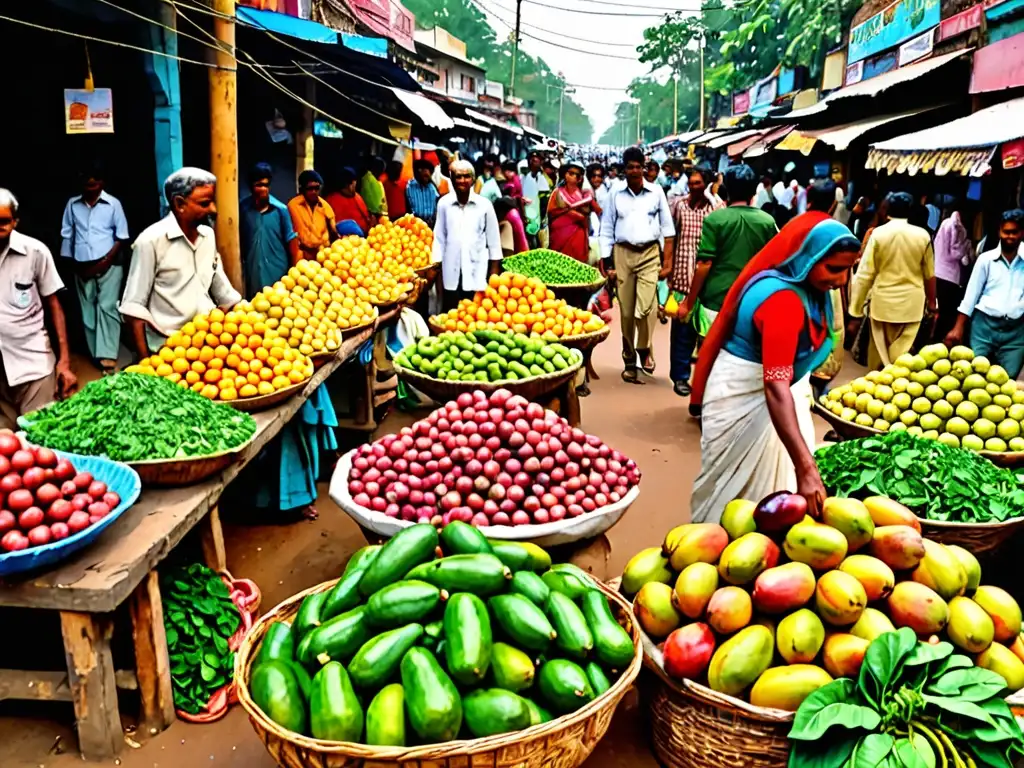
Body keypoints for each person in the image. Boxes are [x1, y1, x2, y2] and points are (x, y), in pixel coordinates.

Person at [687, 216, 860, 522]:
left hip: (775, 395)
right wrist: (805, 468)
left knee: (769, 507)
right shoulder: (783, 301)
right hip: (745, 395)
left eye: (849, 269)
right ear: (809, 258)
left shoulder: (805, 288)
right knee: (734, 503)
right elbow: (775, 387)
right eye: (833, 268)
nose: (842, 280)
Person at [120, 168, 242, 359]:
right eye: (205, 203)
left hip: (208, 344)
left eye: (213, 201)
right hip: (168, 350)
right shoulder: (150, 241)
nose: (213, 210)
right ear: (179, 204)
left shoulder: (208, 236)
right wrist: (145, 363)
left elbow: (222, 289)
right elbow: (133, 308)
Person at [599, 146, 676, 383]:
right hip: (623, 253)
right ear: (624, 169)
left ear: (644, 167)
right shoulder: (615, 193)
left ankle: (644, 348)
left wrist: (668, 261)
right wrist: (607, 261)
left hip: (650, 253)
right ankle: (630, 360)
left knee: (647, 307)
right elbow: (607, 228)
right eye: (630, 167)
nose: (634, 170)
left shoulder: (656, 192)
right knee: (626, 311)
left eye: (638, 166)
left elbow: (667, 228)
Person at [0, 188, 76, 427]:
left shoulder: (35, 252)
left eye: (3, 221)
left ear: (15, 221)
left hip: (33, 364)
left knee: (42, 437)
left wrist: (64, 362)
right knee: (7, 451)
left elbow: (54, 305)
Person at [679, 164, 778, 340]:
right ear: (754, 191)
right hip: (753, 302)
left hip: (715, 304)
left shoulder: (714, 219)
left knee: (713, 359)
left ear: (727, 190)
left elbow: (704, 264)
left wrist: (689, 302)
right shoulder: (767, 222)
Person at [848, 192, 937, 368]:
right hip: (912, 306)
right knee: (902, 359)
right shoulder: (923, 236)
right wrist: (932, 304)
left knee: (878, 355)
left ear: (887, 209)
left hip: (882, 305)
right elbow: (929, 275)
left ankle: (875, 389)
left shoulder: (878, 234)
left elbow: (865, 275)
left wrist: (855, 310)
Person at [59, 166, 129, 373]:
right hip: (81, 265)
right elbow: (67, 234)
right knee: (87, 310)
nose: (91, 180)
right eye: (85, 176)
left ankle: (107, 355)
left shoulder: (113, 204)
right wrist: (72, 266)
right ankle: (95, 352)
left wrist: (106, 261)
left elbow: (121, 236)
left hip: (110, 263)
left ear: (103, 182)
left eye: (96, 177)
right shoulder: (72, 205)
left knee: (107, 307)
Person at [944, 209, 1024, 377]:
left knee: (1007, 380)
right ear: (999, 232)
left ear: (1022, 233)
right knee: (974, 377)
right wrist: (958, 327)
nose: (1009, 236)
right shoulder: (985, 260)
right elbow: (970, 296)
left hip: (1015, 332)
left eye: (1014, 232)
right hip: (983, 327)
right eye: (1006, 232)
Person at [668, 167, 722, 397]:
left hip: (707, 282)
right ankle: (680, 377)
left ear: (707, 184)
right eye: (691, 183)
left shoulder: (717, 209)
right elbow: (672, 237)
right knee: (681, 332)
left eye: (698, 183)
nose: (693, 187)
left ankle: (703, 380)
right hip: (682, 276)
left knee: (706, 335)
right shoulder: (679, 206)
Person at [432, 159, 502, 311]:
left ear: (473, 179)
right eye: (458, 176)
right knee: (451, 316)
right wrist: (435, 271)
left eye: (467, 176)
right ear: (451, 178)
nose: (463, 181)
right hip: (451, 272)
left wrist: (493, 278)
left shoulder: (485, 205)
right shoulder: (443, 204)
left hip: (476, 271)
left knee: (475, 316)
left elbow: (494, 243)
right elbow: (439, 239)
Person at [240, 162, 299, 297]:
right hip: (253, 272)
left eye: (266, 185)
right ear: (251, 187)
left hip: (277, 271)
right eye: (259, 185)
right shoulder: (243, 209)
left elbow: (292, 242)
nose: (263, 190)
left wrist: (293, 274)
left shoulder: (281, 210)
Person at [932, 203, 973, 342]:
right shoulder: (954, 226)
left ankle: (936, 341)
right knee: (946, 314)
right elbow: (954, 254)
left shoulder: (946, 224)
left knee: (942, 312)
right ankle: (938, 341)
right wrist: (966, 245)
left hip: (939, 272)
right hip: (948, 276)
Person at [547, 161, 594, 262]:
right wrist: (571, 212)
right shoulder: (558, 191)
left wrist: (574, 209)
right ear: (564, 174)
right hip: (560, 232)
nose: (573, 177)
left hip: (578, 231)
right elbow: (551, 211)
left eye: (577, 175)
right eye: (571, 173)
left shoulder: (582, 192)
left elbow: (587, 210)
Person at [288, 169, 338, 258]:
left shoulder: (325, 206)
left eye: (317, 188)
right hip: (302, 258)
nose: (314, 192)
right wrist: (321, 242)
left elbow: (334, 231)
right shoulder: (294, 205)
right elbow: (305, 238)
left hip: (323, 257)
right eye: (310, 188)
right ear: (302, 189)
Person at [325, 168, 370, 236]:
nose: (355, 186)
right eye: (354, 184)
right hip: (344, 242)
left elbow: (366, 217)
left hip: (364, 239)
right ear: (348, 185)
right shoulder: (331, 200)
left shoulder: (357, 197)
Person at [521, 151, 551, 248]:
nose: (534, 161)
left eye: (537, 160)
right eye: (532, 160)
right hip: (525, 213)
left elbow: (545, 198)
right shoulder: (523, 176)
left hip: (538, 216)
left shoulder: (542, 177)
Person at [406, 159, 440, 228]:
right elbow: (408, 205)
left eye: (428, 175)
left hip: (430, 223)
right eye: (424, 175)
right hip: (415, 223)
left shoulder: (432, 187)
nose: (427, 178)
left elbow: (436, 205)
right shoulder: (410, 186)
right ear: (419, 171)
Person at [359, 157, 388, 225]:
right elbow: (370, 201)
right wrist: (375, 214)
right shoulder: (368, 179)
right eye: (381, 170)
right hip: (373, 216)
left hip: (379, 215)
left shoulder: (376, 181)